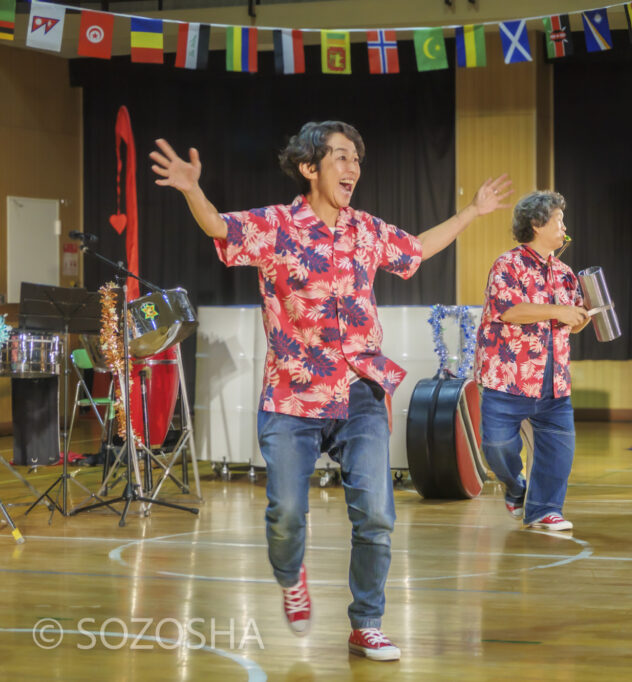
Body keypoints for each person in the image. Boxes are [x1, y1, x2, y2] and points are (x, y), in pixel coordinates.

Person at [150, 121, 511, 661]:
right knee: (286, 514)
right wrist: (191, 189)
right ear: (309, 168)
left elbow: (416, 248)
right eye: (341, 157)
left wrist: (473, 212)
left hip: (360, 390)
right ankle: (289, 573)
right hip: (292, 395)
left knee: (377, 514)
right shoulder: (276, 226)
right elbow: (219, 228)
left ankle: (367, 623)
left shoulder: (366, 229)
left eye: (356, 159)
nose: (352, 168)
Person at [474, 191, 589, 531]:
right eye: (558, 220)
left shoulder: (565, 273)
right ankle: (515, 486)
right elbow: (510, 310)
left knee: (558, 450)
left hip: (554, 382)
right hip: (507, 379)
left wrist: (580, 317)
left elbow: (570, 321)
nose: (564, 226)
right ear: (537, 224)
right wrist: (559, 311)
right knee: (496, 446)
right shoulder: (507, 264)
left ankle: (544, 510)